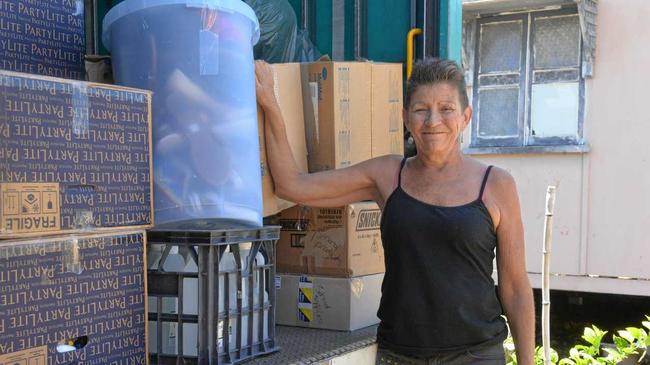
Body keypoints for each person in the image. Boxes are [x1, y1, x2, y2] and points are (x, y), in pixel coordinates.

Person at [255, 58, 534, 365]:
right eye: (420, 109)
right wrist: (270, 103)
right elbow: (292, 186)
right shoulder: (387, 176)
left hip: (476, 355)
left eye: (446, 108)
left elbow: (516, 288)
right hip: (400, 355)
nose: (432, 120)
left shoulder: (497, 185)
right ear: (405, 117)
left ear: (466, 116)